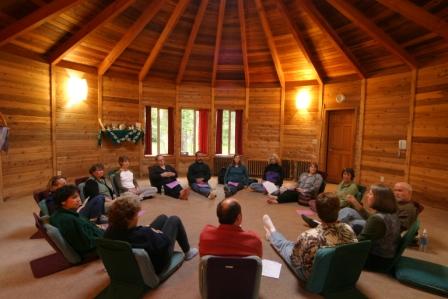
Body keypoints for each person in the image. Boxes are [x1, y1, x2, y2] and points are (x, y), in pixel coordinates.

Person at [263, 192, 357, 281]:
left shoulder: (309, 236)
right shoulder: (348, 228)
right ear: (339, 210)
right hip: (341, 274)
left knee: (285, 246)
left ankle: (272, 233)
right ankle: (276, 237)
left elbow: (295, 260)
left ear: (318, 213)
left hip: (315, 278)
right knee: (298, 244)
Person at [104, 195, 198, 274]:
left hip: (129, 260)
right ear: (130, 218)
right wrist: (157, 233)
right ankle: (187, 252)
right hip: (156, 264)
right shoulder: (144, 234)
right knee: (174, 219)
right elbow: (165, 243)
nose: (138, 216)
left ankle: (162, 224)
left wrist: (147, 229)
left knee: (163, 217)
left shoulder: (109, 231)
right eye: (137, 214)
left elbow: (137, 235)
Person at [50, 185, 104, 259]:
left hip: (97, 240)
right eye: (74, 197)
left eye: (78, 196)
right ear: (63, 202)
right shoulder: (68, 220)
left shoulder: (61, 214)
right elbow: (86, 244)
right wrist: (105, 235)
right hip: (95, 249)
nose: (79, 199)